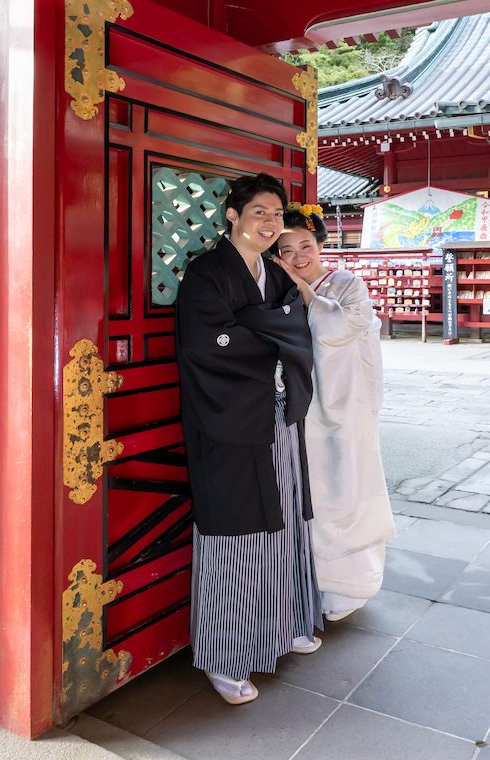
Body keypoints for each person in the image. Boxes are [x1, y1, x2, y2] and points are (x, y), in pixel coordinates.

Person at [175, 175, 322, 705]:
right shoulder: (207, 274)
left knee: (283, 528)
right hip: (229, 424)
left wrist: (259, 326)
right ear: (232, 216)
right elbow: (207, 343)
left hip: (278, 418)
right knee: (235, 539)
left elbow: (298, 327)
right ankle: (224, 656)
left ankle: (282, 629)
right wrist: (273, 331)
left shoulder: (274, 275)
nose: (269, 222)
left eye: (276, 214)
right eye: (259, 212)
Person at [273, 203, 395, 622]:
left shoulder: (345, 283)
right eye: (286, 250)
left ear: (321, 245)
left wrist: (305, 292)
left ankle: (350, 582)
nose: (298, 257)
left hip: (347, 404)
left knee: (347, 486)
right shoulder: (276, 286)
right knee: (313, 489)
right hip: (305, 401)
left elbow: (341, 329)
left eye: (305, 245)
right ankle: (312, 577)